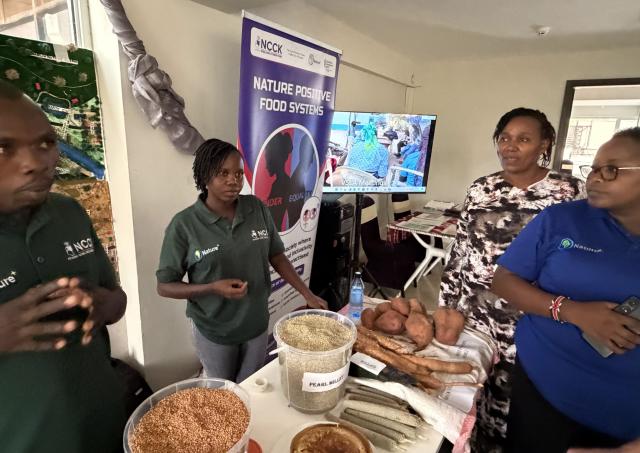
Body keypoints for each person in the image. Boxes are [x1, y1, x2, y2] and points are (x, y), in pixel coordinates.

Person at [438, 107, 585, 452]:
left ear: (544, 144)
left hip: (533, 320)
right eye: (504, 138)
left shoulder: (570, 192)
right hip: (476, 316)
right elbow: (459, 252)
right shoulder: (481, 189)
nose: (510, 146)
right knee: (471, 394)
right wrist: (446, 306)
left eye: (523, 139)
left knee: (521, 407)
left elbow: (580, 252)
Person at [491, 128, 640, 453]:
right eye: (594, 169)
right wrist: (572, 311)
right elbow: (503, 279)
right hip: (543, 388)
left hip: (625, 421)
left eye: (611, 170)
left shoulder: (558, 190)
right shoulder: (564, 220)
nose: (595, 179)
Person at [0, 81, 127, 452]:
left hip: (106, 425)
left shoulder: (68, 212)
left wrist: (103, 304)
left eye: (45, 143)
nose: (35, 163)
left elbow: (117, 303)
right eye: (3, 147)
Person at [156, 139, 327, 383]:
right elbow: (164, 285)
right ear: (205, 176)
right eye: (223, 173)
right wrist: (212, 288)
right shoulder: (184, 225)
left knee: (250, 388)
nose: (233, 181)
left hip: (256, 325)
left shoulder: (256, 208)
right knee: (223, 396)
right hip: (215, 331)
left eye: (238, 173)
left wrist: (307, 294)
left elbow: (276, 255)